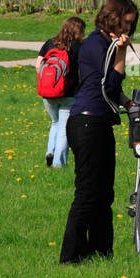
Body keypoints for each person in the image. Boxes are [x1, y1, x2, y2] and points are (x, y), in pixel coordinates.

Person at [60, 0, 138, 263]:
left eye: (131, 24)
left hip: (100, 122)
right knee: (87, 193)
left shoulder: (106, 42)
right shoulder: (97, 44)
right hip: (86, 122)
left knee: (105, 193)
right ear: (114, 17)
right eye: (126, 22)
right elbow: (111, 83)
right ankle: (70, 256)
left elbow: (110, 90)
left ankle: (101, 252)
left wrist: (127, 102)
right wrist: (122, 52)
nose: (129, 28)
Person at [40, 16, 85, 168]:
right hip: (68, 94)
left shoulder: (49, 43)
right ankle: (59, 164)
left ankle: (50, 152)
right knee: (64, 129)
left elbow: (38, 65)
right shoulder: (78, 47)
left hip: (47, 93)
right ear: (77, 31)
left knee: (55, 122)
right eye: (82, 31)